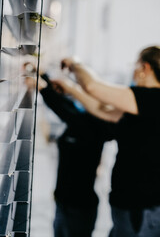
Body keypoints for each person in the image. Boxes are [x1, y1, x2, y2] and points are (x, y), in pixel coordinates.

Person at [52, 46, 160, 237]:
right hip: (128, 208)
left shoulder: (153, 99)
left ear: (145, 68)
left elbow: (93, 86)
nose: (133, 70)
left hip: (142, 210)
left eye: (135, 64)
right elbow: (101, 109)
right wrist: (70, 89)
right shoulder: (141, 105)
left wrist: (75, 63)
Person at [24, 68, 114, 237]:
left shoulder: (94, 126)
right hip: (64, 202)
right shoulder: (85, 119)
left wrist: (42, 87)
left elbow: (64, 110)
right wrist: (43, 74)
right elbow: (67, 106)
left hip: (79, 208)